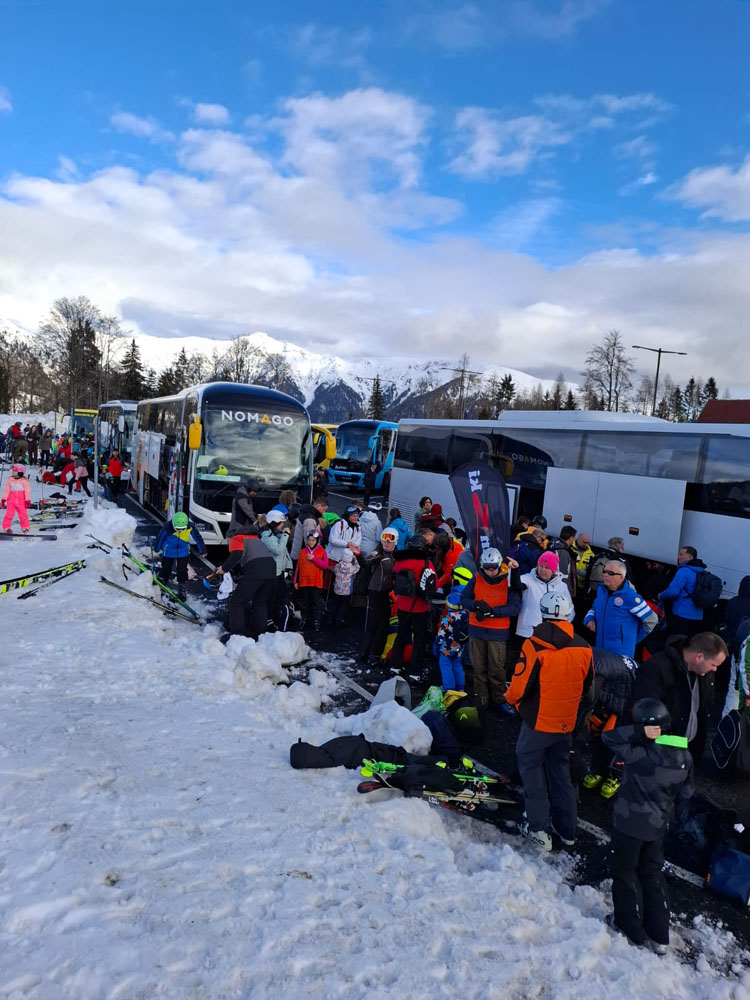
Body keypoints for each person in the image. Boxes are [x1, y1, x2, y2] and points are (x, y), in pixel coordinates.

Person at [602, 699, 693, 955]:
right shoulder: (684, 756)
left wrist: (637, 733)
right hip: (657, 827)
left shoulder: (639, 753)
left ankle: (630, 926)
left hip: (628, 825)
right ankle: (660, 935)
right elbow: (686, 794)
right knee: (652, 875)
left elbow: (608, 737)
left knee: (625, 873)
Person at [505, 590, 594, 851]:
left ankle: (539, 828)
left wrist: (511, 700)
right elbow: (588, 684)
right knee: (560, 773)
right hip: (566, 721)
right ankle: (567, 829)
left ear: (542, 613)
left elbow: (519, 686)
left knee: (531, 771)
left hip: (537, 721)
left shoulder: (534, 644)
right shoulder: (583, 646)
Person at [634, 632, 727, 764]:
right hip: (663, 754)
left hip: (689, 753)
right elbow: (646, 714)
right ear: (699, 657)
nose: (715, 669)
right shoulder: (657, 669)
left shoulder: (704, 672)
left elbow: (703, 710)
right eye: (714, 665)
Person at [460, 547, 522, 711]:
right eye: (487, 568)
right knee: (478, 668)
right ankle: (482, 698)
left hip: (497, 632)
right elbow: (464, 598)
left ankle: (499, 700)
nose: (490, 572)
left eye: (493, 568)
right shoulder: (477, 578)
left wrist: (494, 612)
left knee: (497, 669)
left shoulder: (507, 581)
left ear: (499, 565)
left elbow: (515, 607)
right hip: (477, 629)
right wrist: (476, 605)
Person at [584, 560, 658, 658]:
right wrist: (589, 619)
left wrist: (632, 640)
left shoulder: (630, 596)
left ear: (621, 577)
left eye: (610, 573)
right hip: (600, 649)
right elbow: (594, 608)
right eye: (604, 571)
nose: (605, 575)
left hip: (619, 655)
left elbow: (652, 620)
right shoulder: (602, 590)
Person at [215, 527, 277, 638]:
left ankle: (237, 635)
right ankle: (261, 634)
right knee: (260, 603)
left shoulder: (236, 538)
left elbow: (237, 555)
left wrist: (223, 569)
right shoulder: (256, 539)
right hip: (271, 569)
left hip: (256, 570)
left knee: (236, 602)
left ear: (230, 537)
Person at [389, 534, 437, 677]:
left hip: (402, 605)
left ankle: (395, 667)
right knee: (419, 640)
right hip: (420, 606)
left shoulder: (400, 561)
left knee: (401, 635)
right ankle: (415, 673)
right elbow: (434, 585)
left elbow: (393, 581)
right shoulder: (426, 563)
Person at [359, 526, 397, 664]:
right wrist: (359, 555)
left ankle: (373, 654)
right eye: (384, 539)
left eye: (390, 540)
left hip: (388, 593)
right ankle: (368, 655)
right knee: (375, 625)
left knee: (383, 626)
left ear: (395, 542)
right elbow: (366, 562)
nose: (387, 543)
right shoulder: (378, 553)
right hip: (376, 592)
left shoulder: (396, 555)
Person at [516, 551, 573, 643]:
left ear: (553, 571)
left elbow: (570, 609)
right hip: (528, 632)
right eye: (541, 566)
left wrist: (562, 627)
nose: (543, 570)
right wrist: (514, 570)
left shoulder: (562, 586)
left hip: (552, 634)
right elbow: (513, 582)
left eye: (547, 568)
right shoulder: (527, 579)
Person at [155, 511, 207, 600]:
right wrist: (157, 548)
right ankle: (162, 581)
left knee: (182, 570)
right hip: (169, 550)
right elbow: (160, 538)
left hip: (183, 551)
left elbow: (198, 538)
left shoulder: (191, 526)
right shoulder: (167, 527)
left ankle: (182, 589)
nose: (179, 531)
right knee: (166, 568)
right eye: (177, 529)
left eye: (182, 529)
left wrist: (202, 550)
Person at [658, 546, 706, 638]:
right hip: (698, 616)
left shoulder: (684, 571)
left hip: (682, 614)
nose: (678, 557)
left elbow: (673, 591)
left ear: (690, 557)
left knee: (675, 642)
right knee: (690, 643)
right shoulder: (701, 571)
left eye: (681, 554)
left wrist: (660, 595)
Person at [259, 510, 293, 628]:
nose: (283, 525)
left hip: (280, 572)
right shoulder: (267, 537)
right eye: (280, 523)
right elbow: (278, 550)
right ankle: (269, 619)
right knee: (271, 598)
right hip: (272, 573)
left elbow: (285, 553)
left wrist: (288, 567)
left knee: (279, 597)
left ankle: (275, 618)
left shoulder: (276, 534)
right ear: (274, 523)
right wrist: (285, 535)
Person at [293, 528, 329, 631]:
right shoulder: (303, 552)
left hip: (316, 582)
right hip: (304, 581)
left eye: (313, 540)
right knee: (304, 602)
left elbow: (325, 566)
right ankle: (305, 618)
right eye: (309, 540)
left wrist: (314, 558)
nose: (311, 542)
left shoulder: (322, 552)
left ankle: (316, 620)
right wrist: (295, 580)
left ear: (317, 541)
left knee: (316, 603)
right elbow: (298, 567)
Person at [435, 588, 469, 692]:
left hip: (447, 647)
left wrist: (436, 646)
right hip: (460, 646)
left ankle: (449, 687)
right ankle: (460, 687)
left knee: (445, 665)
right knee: (457, 664)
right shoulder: (466, 616)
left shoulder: (448, 618)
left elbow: (440, 636)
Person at [290, 495, 329, 560]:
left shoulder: (306, 513)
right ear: (319, 506)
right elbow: (310, 542)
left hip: (298, 552)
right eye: (323, 509)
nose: (324, 512)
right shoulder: (310, 520)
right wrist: (315, 557)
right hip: (304, 556)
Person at [327, 549, 359, 626]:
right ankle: (339, 620)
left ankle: (330, 618)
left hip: (337, 589)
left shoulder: (338, 566)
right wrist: (355, 560)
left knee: (334, 603)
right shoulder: (351, 568)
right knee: (343, 606)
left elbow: (333, 570)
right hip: (346, 591)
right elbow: (358, 567)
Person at [547, 526, 577, 599]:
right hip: (559, 591)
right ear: (570, 538)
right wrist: (566, 593)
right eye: (573, 538)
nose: (574, 540)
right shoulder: (563, 552)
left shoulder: (554, 546)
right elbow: (563, 575)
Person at [2, 464, 32, 534]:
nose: (13, 472)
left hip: (21, 502)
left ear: (20, 472)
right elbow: (6, 490)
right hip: (11, 501)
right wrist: (4, 499)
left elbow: (27, 491)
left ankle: (25, 528)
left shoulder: (24, 481)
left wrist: (27, 500)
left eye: (15, 471)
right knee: (9, 515)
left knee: (23, 515)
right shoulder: (10, 480)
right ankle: (7, 528)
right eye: (12, 471)